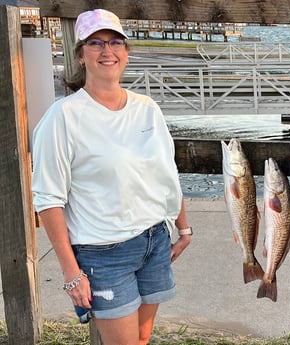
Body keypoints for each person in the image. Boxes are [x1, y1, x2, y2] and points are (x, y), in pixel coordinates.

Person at [31, 9, 192, 345]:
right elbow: (48, 199)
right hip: (102, 252)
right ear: (80, 55)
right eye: (96, 43)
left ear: (126, 51)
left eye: (115, 42)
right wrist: (71, 272)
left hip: (154, 240)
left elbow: (166, 172)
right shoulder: (63, 117)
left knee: (141, 340)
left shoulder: (147, 108)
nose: (107, 51)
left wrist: (183, 226)